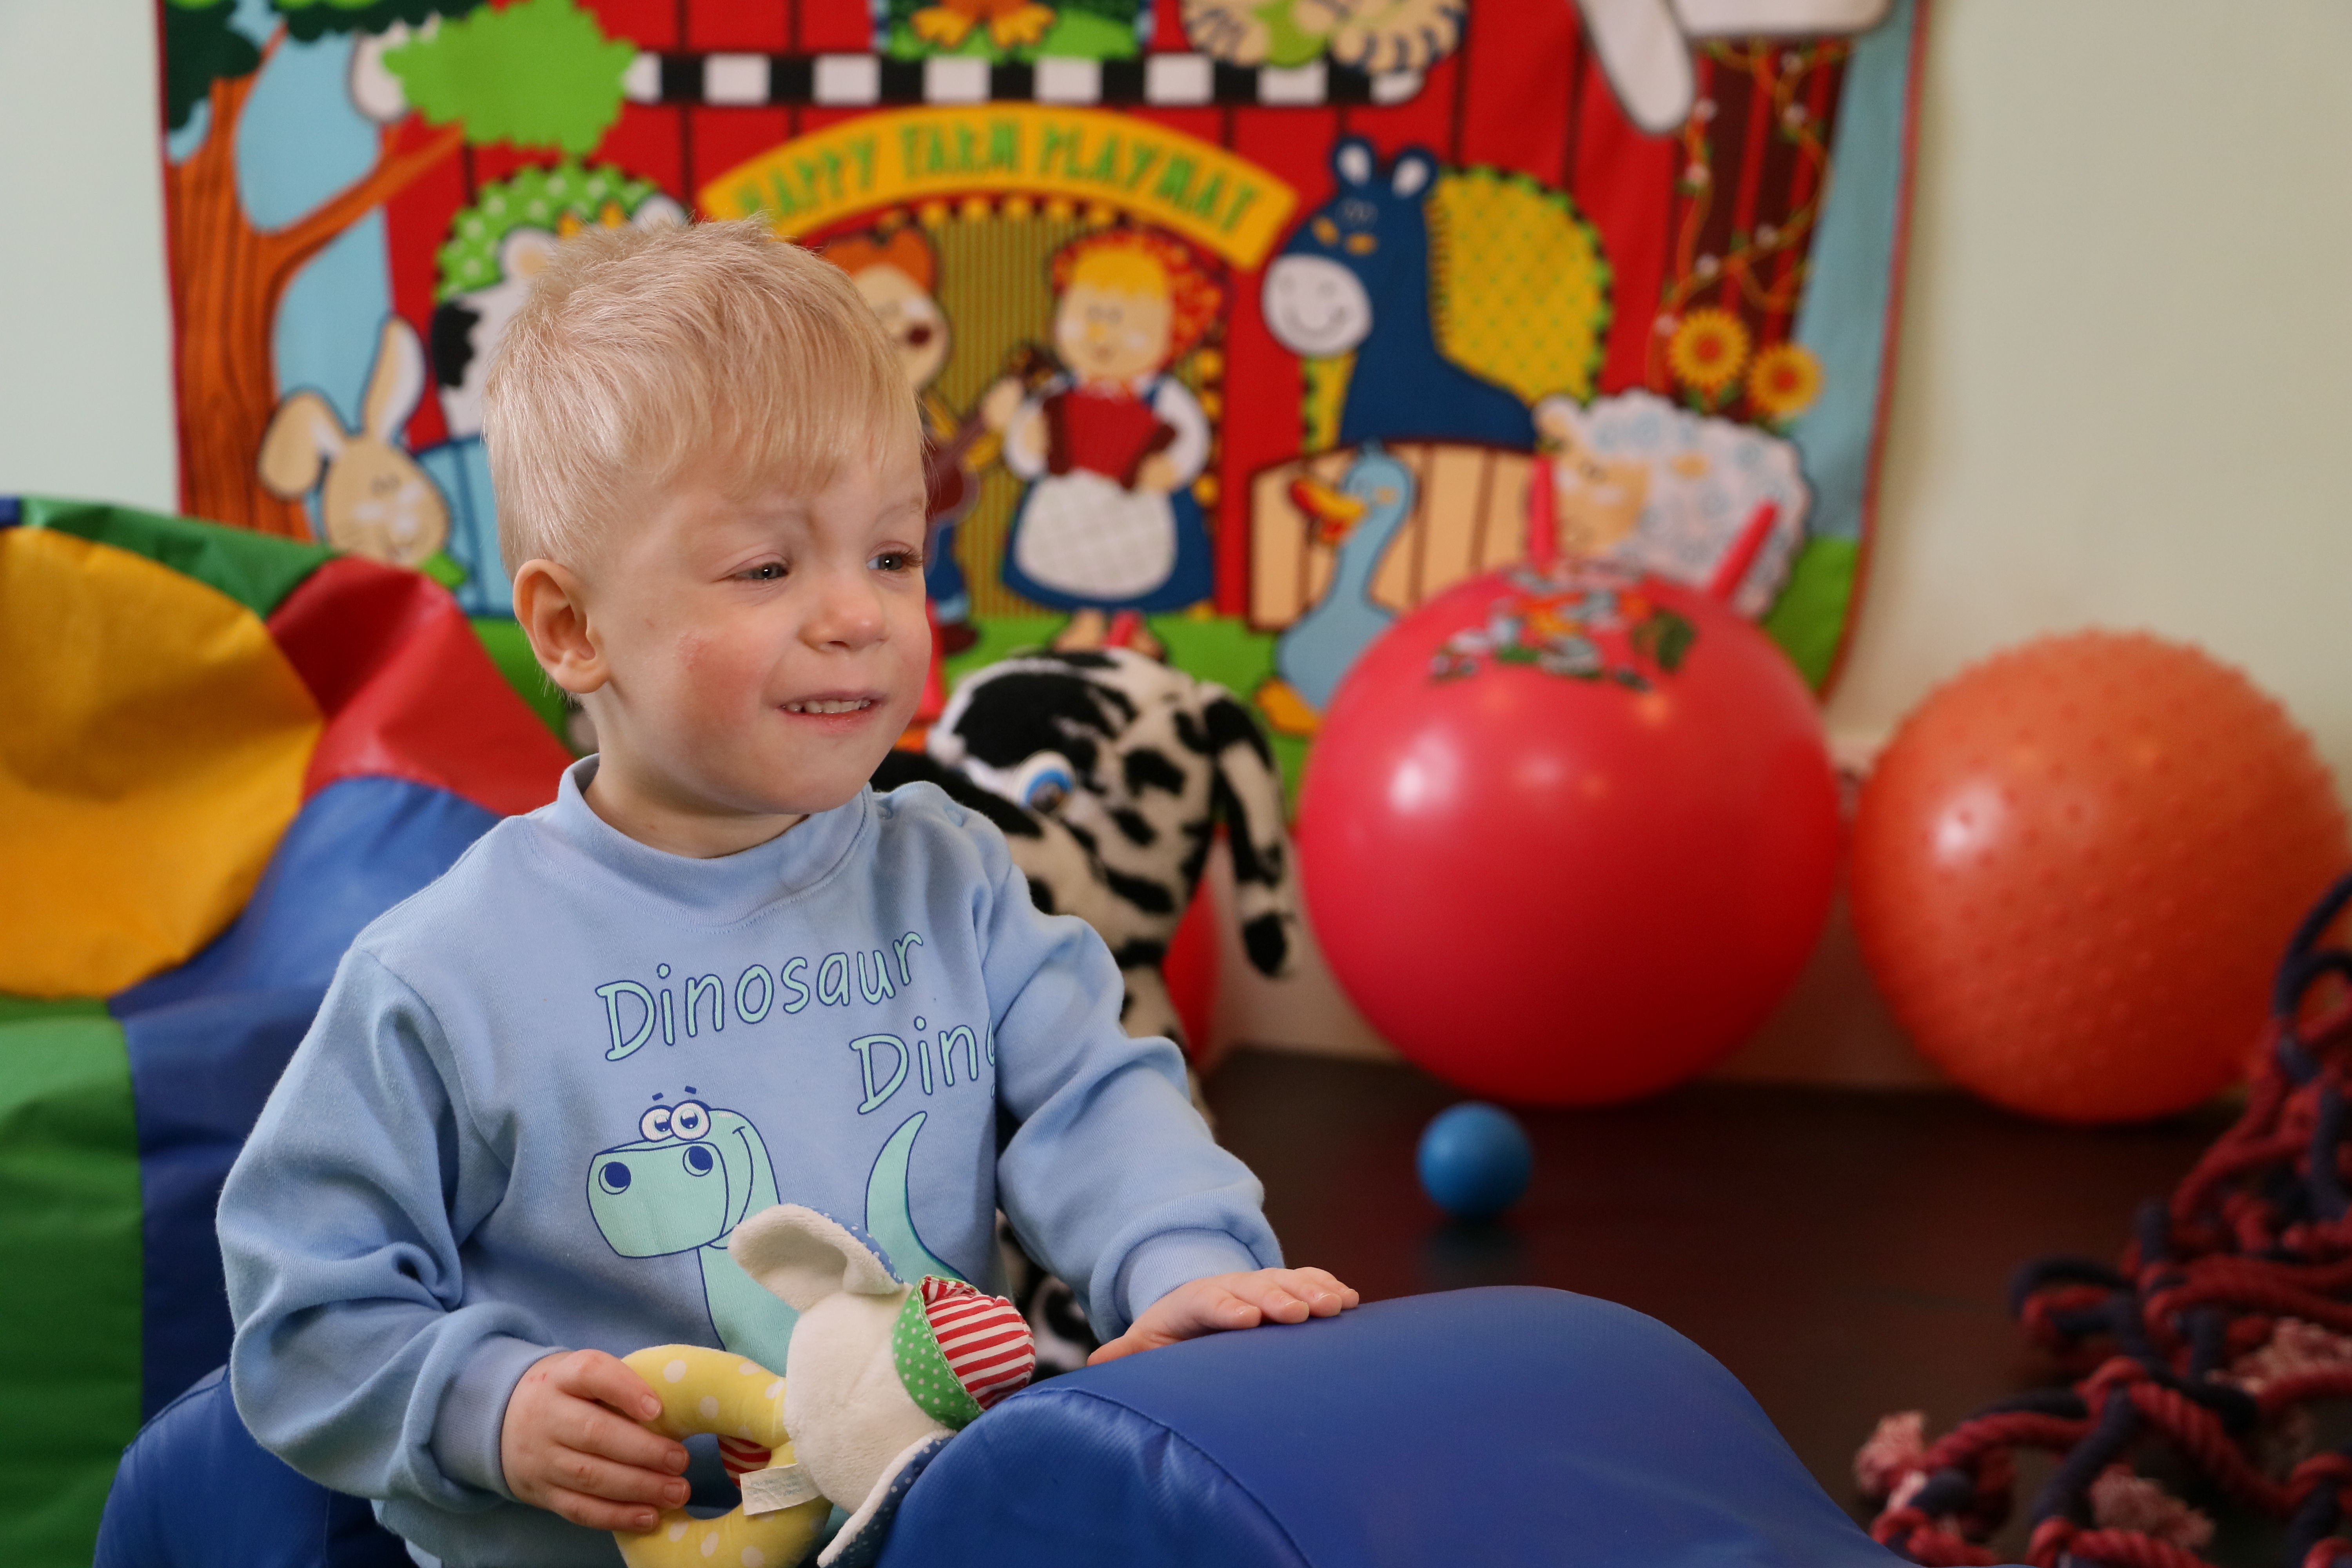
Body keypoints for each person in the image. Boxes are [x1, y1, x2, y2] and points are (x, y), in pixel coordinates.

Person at [216, 218, 1355, 1568]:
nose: (859, 615)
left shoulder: (951, 876)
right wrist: (486, 1406)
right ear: (573, 627)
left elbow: (1098, 1102)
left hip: (919, 1528)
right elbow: (302, 1308)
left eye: (891, 555)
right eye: (768, 567)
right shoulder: (447, 972)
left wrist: (1190, 1270)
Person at [992, 229, 1219, 657]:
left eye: (1128, 327)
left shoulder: (1164, 397)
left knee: (1141, 560)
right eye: (1086, 318)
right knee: (1075, 563)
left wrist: (1172, 467)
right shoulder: (1057, 391)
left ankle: (1133, 625)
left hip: (1140, 503)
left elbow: (1190, 439)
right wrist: (1026, 437)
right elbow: (1027, 451)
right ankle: (1087, 622)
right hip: (1069, 500)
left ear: (1173, 333)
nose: (1102, 336)